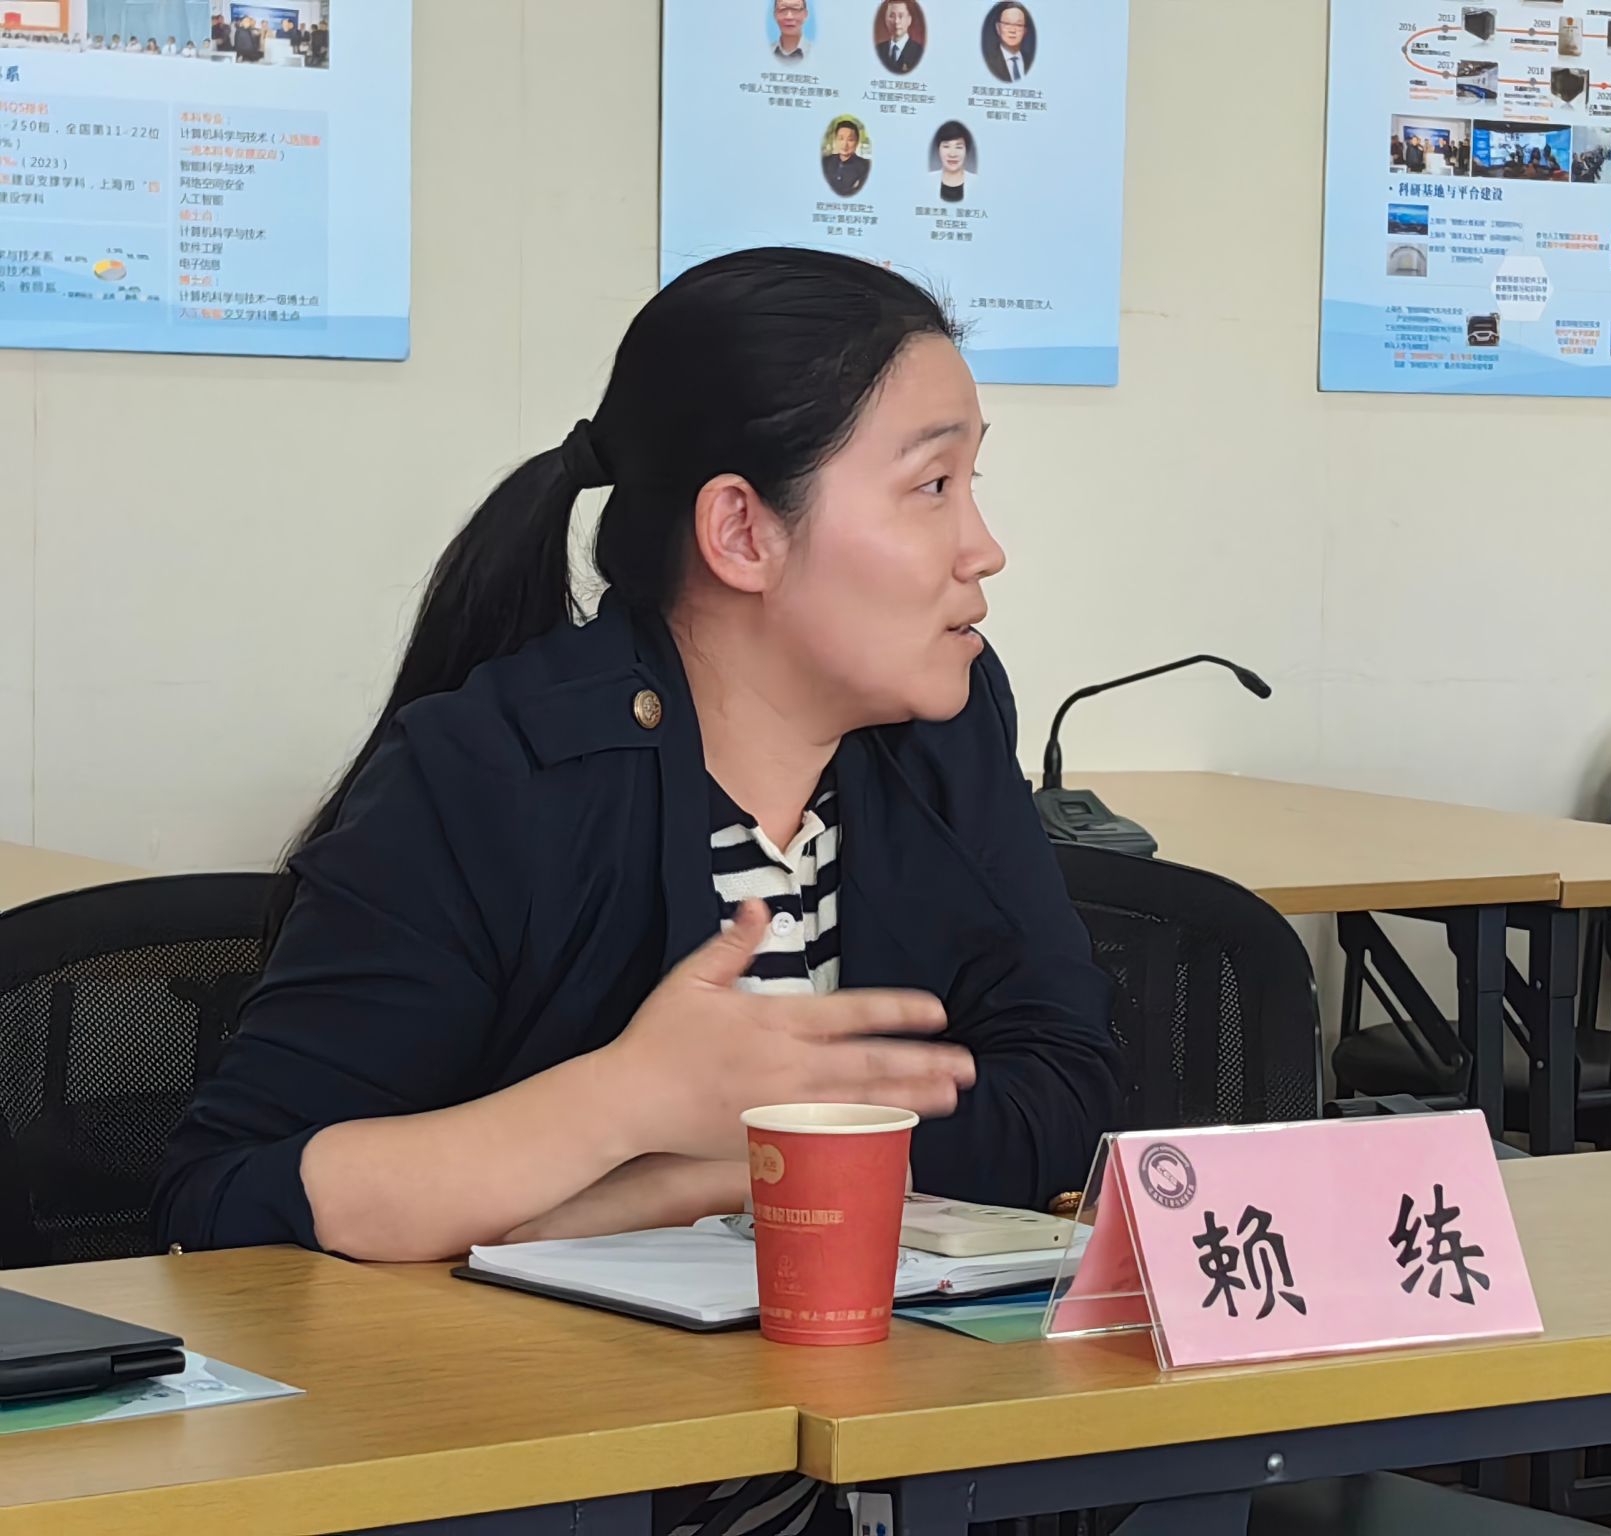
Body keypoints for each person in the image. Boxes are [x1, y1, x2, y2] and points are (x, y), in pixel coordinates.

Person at [156, 248, 1117, 1536]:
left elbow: (1066, 1089)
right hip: (548, 1478)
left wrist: (702, 1173)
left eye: (971, 483)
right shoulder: (493, 776)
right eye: (930, 487)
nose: (982, 548)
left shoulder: (939, 726)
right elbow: (225, 1209)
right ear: (741, 532)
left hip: (886, 1463)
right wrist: (622, 1102)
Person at [983, 3, 1034, 82]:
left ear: (1025, 31)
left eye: (1018, 25)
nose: (1012, 30)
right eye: (1007, 24)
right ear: (998, 28)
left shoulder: (1031, 61)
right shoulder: (987, 61)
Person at [822, 118, 871, 197]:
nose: (845, 144)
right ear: (835, 140)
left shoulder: (865, 166)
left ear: (857, 142)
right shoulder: (825, 162)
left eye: (850, 140)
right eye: (841, 138)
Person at [877, 0, 924, 74]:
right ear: (886, 20)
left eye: (901, 16)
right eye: (892, 16)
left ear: (909, 20)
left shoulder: (920, 52)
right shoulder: (878, 50)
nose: (896, 21)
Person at [934, 120, 973, 202]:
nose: (952, 154)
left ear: (966, 150)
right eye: (946, 146)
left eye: (959, 147)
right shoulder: (927, 180)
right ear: (938, 149)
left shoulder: (976, 181)